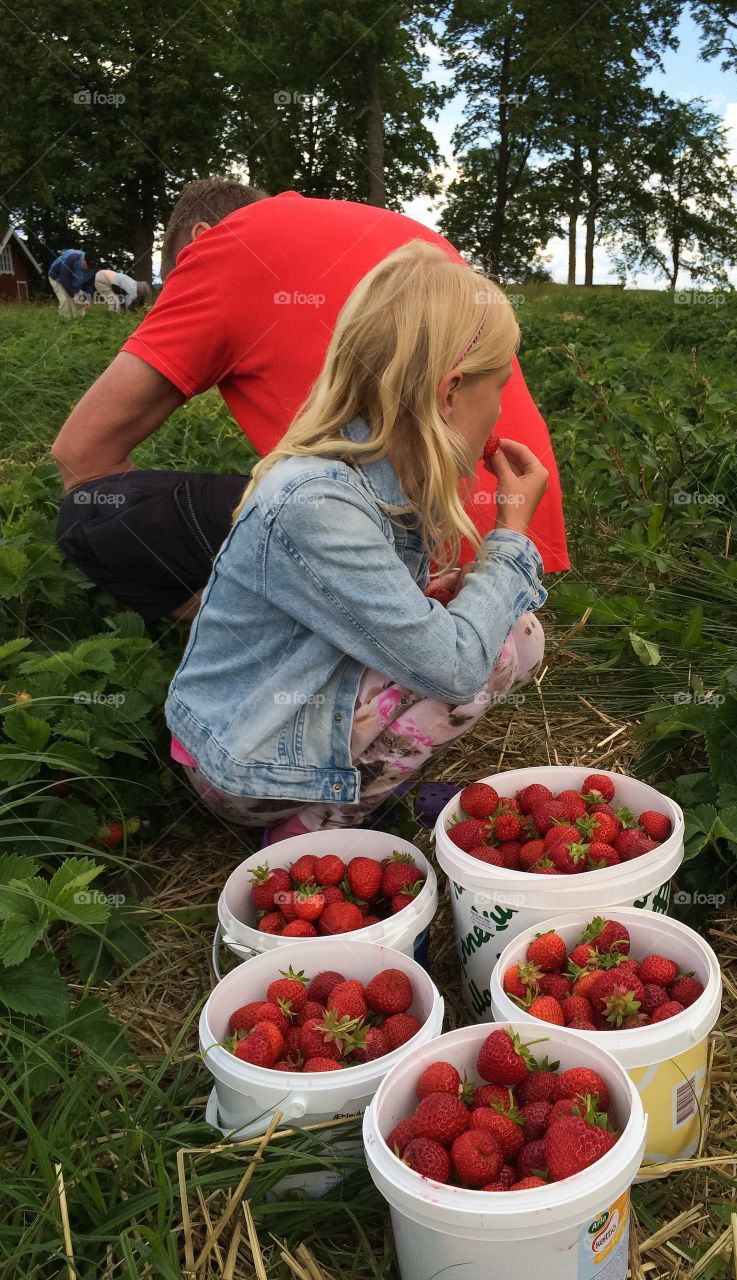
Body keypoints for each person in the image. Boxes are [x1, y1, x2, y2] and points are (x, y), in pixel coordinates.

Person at [51, 180, 569, 625]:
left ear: (199, 238)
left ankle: (293, 645)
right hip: (516, 531)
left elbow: (81, 453)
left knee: (93, 511)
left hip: (408, 558)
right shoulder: (396, 232)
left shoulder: (225, 246)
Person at [165, 241, 549, 837]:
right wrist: (512, 534)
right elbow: (453, 669)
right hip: (247, 764)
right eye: (498, 387)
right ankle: (313, 832)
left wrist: (429, 599)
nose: (499, 410)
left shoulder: (374, 468)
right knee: (495, 650)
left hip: (281, 719)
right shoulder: (317, 502)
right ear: (450, 393)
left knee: (509, 629)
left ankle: (341, 791)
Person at [48, 249, 96, 317]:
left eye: (91, 266)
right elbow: (64, 279)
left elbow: (90, 285)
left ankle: (79, 319)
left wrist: (87, 299)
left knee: (81, 301)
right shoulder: (72, 258)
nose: (88, 268)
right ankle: (64, 320)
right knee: (65, 301)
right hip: (57, 277)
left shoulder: (92, 268)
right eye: (87, 265)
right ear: (83, 260)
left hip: (73, 281)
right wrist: (73, 295)